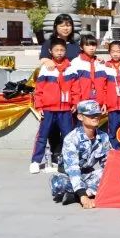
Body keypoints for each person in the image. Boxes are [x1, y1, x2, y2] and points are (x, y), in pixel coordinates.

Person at [49, 100, 111, 208]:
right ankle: (83, 192)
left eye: (97, 114)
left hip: (88, 174)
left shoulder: (103, 137)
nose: (95, 117)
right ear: (80, 117)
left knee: (109, 175)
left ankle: (75, 195)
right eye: (91, 115)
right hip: (70, 174)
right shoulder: (71, 138)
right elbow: (73, 169)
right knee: (59, 183)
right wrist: (83, 196)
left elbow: (108, 163)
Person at [30, 37, 75, 174]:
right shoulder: (46, 68)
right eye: (56, 50)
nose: (59, 52)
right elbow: (39, 89)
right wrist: (39, 106)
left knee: (68, 136)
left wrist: (75, 102)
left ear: (66, 51)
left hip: (65, 109)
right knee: (43, 136)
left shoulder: (71, 68)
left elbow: (75, 88)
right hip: (49, 109)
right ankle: (36, 161)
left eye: (62, 50)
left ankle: (67, 161)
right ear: (50, 51)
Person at [68, 34, 108, 107]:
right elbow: (71, 85)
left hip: (98, 103)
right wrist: (75, 102)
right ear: (81, 47)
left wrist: (104, 102)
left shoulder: (100, 64)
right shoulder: (76, 63)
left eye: (93, 45)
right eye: (88, 45)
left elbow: (105, 86)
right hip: (81, 103)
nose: (91, 48)